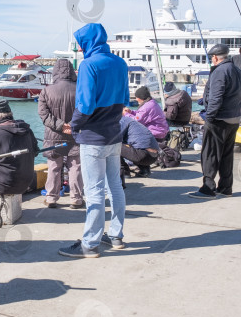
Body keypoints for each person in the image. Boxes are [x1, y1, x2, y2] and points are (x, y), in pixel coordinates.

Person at [58, 23, 129, 258]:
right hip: (114, 134)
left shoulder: (89, 64)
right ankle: (116, 235)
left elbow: (85, 104)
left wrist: (74, 125)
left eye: (80, 43)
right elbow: (125, 98)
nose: (79, 47)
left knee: (95, 190)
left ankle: (90, 243)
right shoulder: (120, 63)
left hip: (93, 138)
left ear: (85, 43)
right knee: (115, 186)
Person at [188, 44, 241, 200]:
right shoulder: (238, 71)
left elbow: (216, 98)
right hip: (234, 119)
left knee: (210, 153)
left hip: (219, 119)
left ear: (214, 57)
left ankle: (208, 188)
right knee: (227, 154)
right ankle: (226, 187)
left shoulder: (220, 71)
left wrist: (210, 117)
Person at [38, 58, 84, 209]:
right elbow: (85, 111)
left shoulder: (46, 90)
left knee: (54, 167)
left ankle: (51, 197)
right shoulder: (80, 89)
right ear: (71, 71)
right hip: (75, 134)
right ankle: (76, 199)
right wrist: (71, 126)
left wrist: (61, 126)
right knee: (75, 167)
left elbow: (44, 115)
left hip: (53, 136)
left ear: (56, 71)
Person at [120, 112, 160, 178]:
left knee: (113, 146)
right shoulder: (130, 120)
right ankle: (144, 170)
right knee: (136, 145)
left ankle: (124, 171)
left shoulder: (122, 121)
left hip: (142, 155)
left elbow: (115, 139)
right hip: (154, 156)